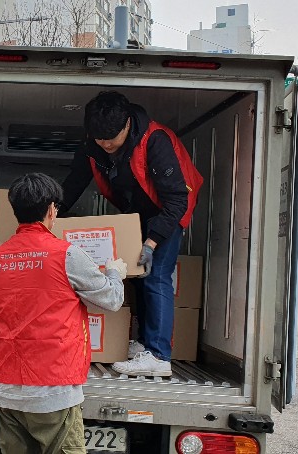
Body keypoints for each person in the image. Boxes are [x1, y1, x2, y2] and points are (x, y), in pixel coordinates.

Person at [61, 91, 203, 378]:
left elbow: (178, 200)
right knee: (135, 276)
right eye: (100, 140)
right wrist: (51, 214)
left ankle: (159, 355)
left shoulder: (155, 141)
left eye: (112, 139)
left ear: (127, 124)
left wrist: (152, 242)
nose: (106, 145)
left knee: (156, 275)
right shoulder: (94, 143)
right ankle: (143, 344)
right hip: (136, 214)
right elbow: (76, 181)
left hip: (168, 210)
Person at [0, 173, 128, 454]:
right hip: (52, 391)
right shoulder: (66, 255)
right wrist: (114, 272)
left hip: (6, 389)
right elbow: (111, 300)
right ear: (51, 209)